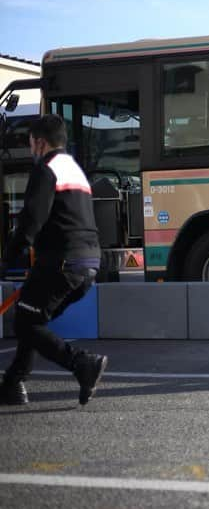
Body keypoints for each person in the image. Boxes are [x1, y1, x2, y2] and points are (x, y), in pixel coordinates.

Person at [0, 114, 108, 406]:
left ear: (40, 142)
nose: (31, 149)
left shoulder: (46, 170)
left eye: (31, 143)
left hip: (61, 262)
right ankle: (12, 384)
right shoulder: (74, 169)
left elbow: (31, 220)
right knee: (32, 318)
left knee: (25, 323)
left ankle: (82, 364)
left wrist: (7, 259)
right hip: (88, 264)